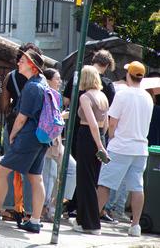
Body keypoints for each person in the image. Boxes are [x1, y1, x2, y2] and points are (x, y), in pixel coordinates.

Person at [0, 49, 49, 233]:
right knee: (36, 178)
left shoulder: (31, 87)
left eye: (24, 61)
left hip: (27, 137)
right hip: (41, 137)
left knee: (1, 170)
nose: (19, 62)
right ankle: (34, 220)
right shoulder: (42, 83)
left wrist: (13, 135)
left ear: (33, 67)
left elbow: (21, 117)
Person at [96, 61, 154, 237]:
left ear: (128, 74)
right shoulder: (148, 97)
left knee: (105, 184)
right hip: (140, 148)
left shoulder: (122, 95)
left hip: (120, 146)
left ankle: (91, 220)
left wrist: (112, 138)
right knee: (137, 187)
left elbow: (112, 123)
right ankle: (135, 225)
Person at [63, 49, 116, 218]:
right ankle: (84, 211)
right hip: (99, 133)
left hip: (79, 131)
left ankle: (77, 208)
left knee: (80, 171)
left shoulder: (76, 77)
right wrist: (102, 140)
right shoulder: (107, 87)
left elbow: (66, 102)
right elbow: (108, 116)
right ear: (107, 65)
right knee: (92, 175)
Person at [0, 43, 41, 221]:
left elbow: (3, 105)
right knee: (32, 174)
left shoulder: (11, 77)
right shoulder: (41, 81)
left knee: (7, 170)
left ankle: (9, 208)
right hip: (35, 130)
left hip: (14, 125)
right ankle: (30, 211)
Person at [71, 65, 109, 235]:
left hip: (87, 137)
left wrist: (99, 145)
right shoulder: (103, 96)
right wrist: (101, 143)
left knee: (85, 181)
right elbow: (105, 124)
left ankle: (91, 224)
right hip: (99, 136)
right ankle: (83, 220)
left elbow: (92, 123)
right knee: (91, 180)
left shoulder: (85, 97)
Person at [40, 68, 76, 222]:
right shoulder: (45, 93)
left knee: (70, 168)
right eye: (57, 78)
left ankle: (54, 205)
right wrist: (62, 116)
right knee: (48, 175)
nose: (60, 81)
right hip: (48, 141)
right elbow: (48, 117)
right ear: (48, 80)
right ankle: (46, 208)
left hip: (56, 141)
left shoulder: (56, 95)